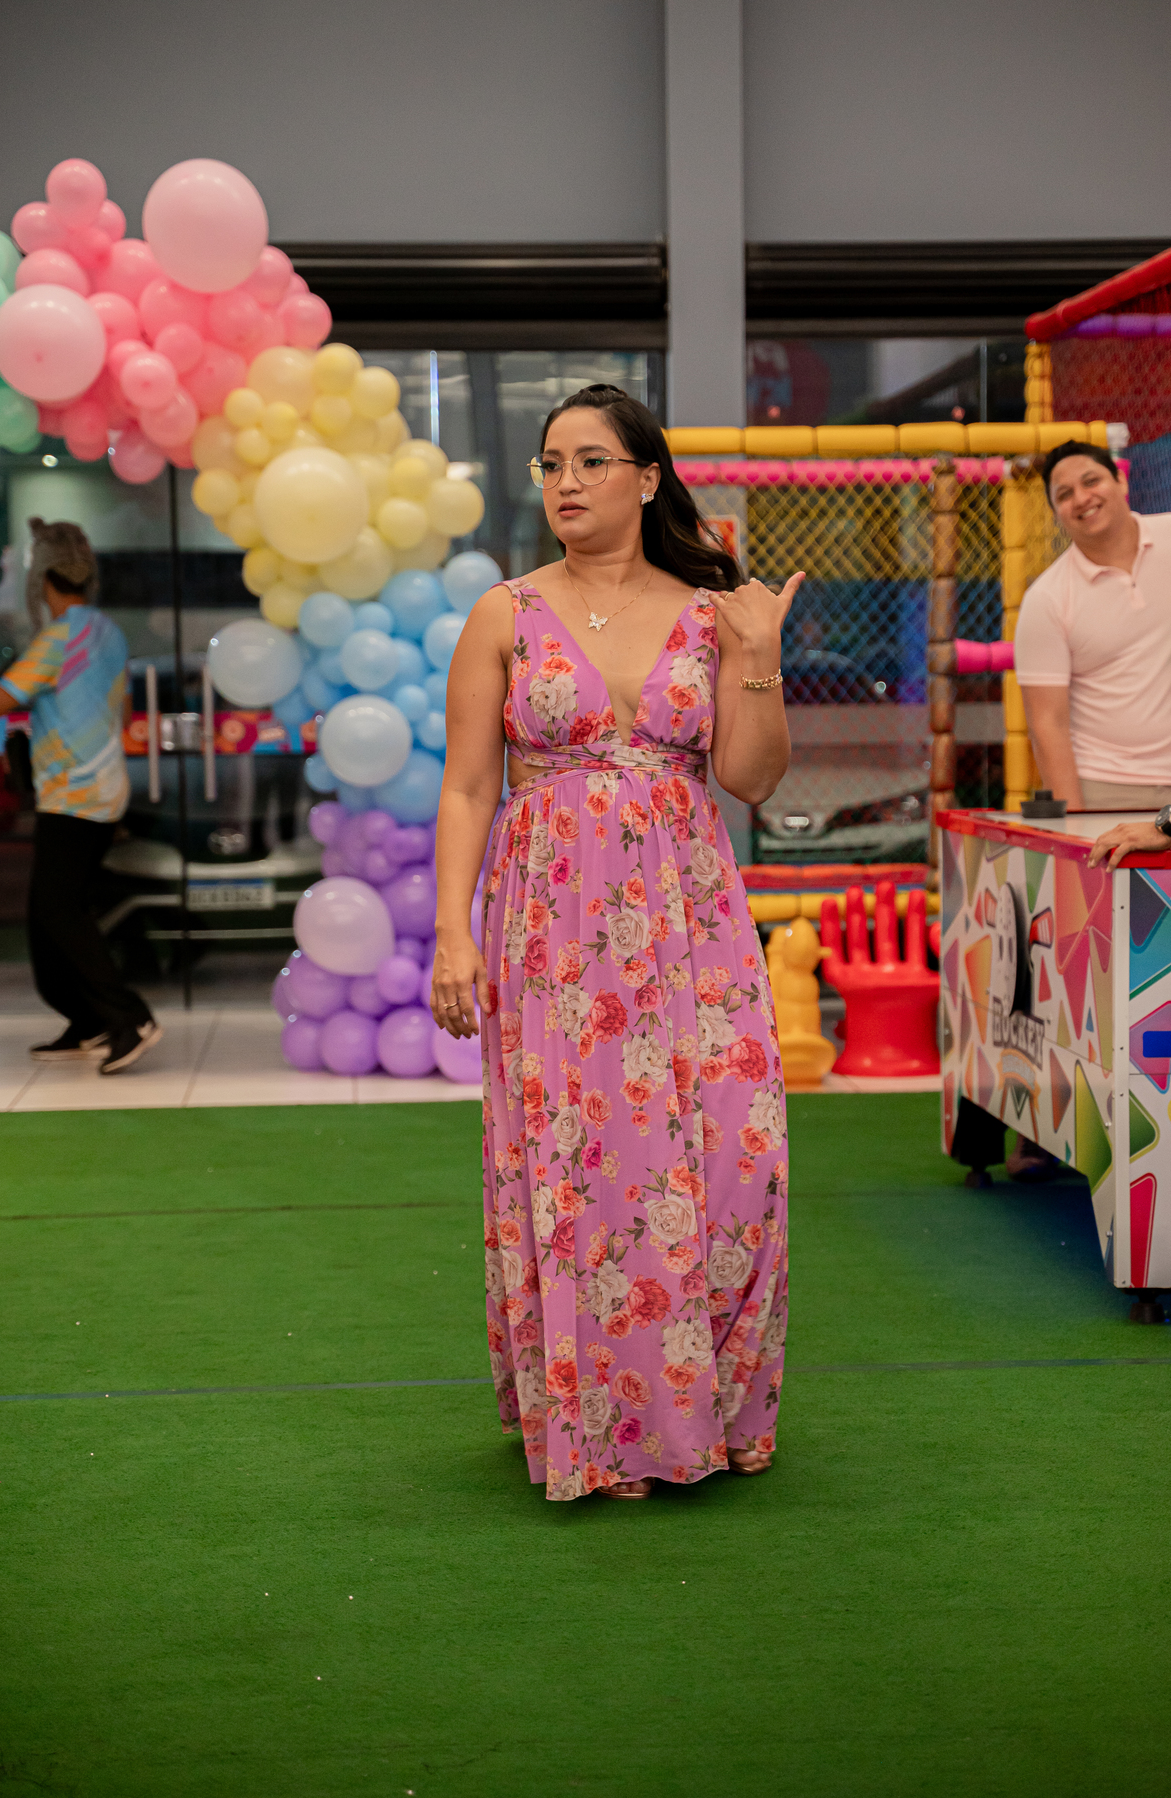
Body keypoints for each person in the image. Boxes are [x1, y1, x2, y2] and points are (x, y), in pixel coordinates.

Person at [431, 385, 796, 1501]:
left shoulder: (713, 612)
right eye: (551, 464)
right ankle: (607, 1430)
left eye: (591, 460)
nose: (567, 482)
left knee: (738, 1154)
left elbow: (749, 778)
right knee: (588, 1168)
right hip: (555, 928)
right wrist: (451, 934)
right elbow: (467, 788)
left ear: (647, 477)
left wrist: (760, 654)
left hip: (694, 923)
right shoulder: (505, 613)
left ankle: (704, 1407)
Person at [0, 518, 161, 1075]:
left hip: (72, 793)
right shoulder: (108, 633)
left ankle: (129, 1017)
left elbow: (1, 698)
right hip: (104, 788)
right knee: (52, 914)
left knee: (59, 912)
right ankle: (88, 1022)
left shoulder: (58, 639)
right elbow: (125, 710)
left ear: (43, 580)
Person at [1015, 440, 1171, 812]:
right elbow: (1047, 726)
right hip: (1108, 789)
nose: (1081, 498)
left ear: (1121, 481)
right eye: (1064, 495)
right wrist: (1075, 824)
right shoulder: (1045, 600)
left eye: (1091, 481)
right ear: (1056, 514)